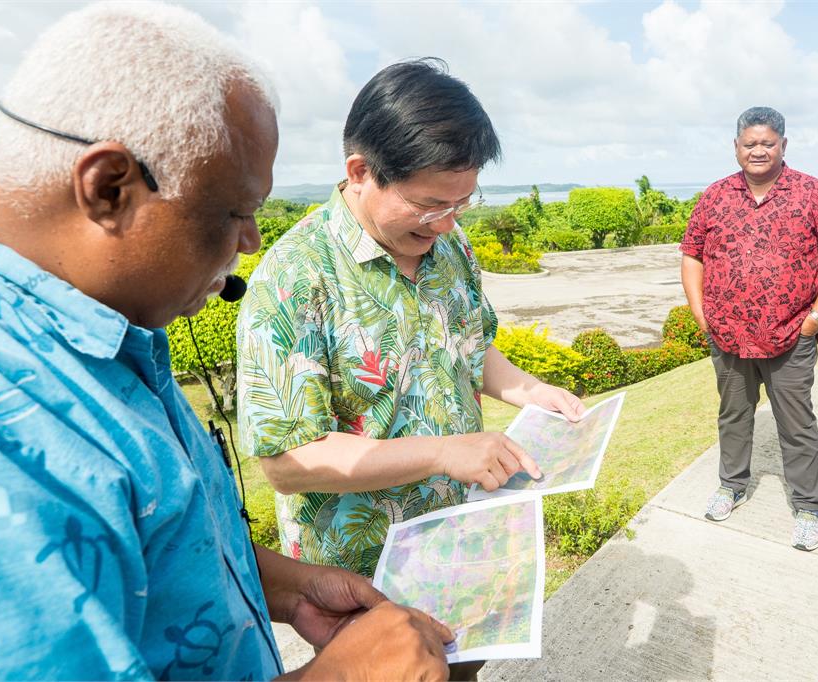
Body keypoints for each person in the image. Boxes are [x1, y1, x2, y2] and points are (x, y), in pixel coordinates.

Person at [0, 4, 455, 679]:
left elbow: (126, 537)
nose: (250, 243)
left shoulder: (86, 331)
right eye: (235, 213)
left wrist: (282, 584)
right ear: (109, 188)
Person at [235, 59, 584, 677]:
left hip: (466, 545)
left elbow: (471, 350)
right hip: (365, 587)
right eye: (428, 205)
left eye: (462, 204)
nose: (447, 223)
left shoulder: (450, 246)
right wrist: (444, 452)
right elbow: (288, 463)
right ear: (361, 172)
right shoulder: (293, 278)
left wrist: (531, 392)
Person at [680, 106, 818, 552]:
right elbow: (692, 254)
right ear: (736, 147)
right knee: (733, 417)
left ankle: (808, 507)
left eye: (767, 143)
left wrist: (814, 319)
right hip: (730, 337)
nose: (759, 150)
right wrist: (702, 314)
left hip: (791, 337)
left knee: (796, 425)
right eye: (750, 143)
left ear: (783, 145)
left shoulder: (814, 195)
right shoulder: (715, 197)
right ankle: (731, 486)